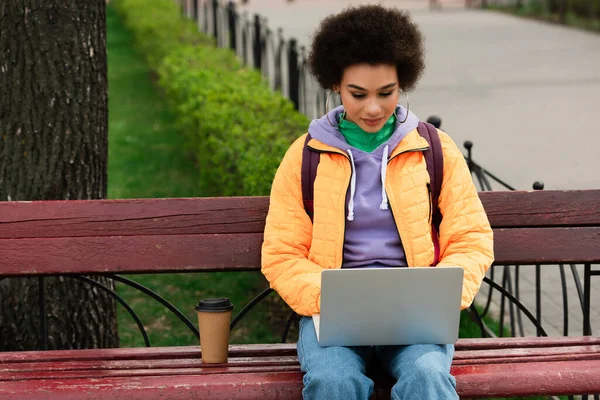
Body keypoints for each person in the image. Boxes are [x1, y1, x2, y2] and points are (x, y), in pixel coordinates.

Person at [261, 5, 494, 399]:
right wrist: (331, 301)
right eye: (358, 94)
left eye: (386, 93)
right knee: (333, 380)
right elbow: (281, 253)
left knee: (427, 376)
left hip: (415, 320)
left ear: (403, 82)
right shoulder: (304, 156)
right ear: (335, 83)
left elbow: (470, 237)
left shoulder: (435, 148)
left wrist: (442, 297)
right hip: (331, 318)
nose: (373, 108)